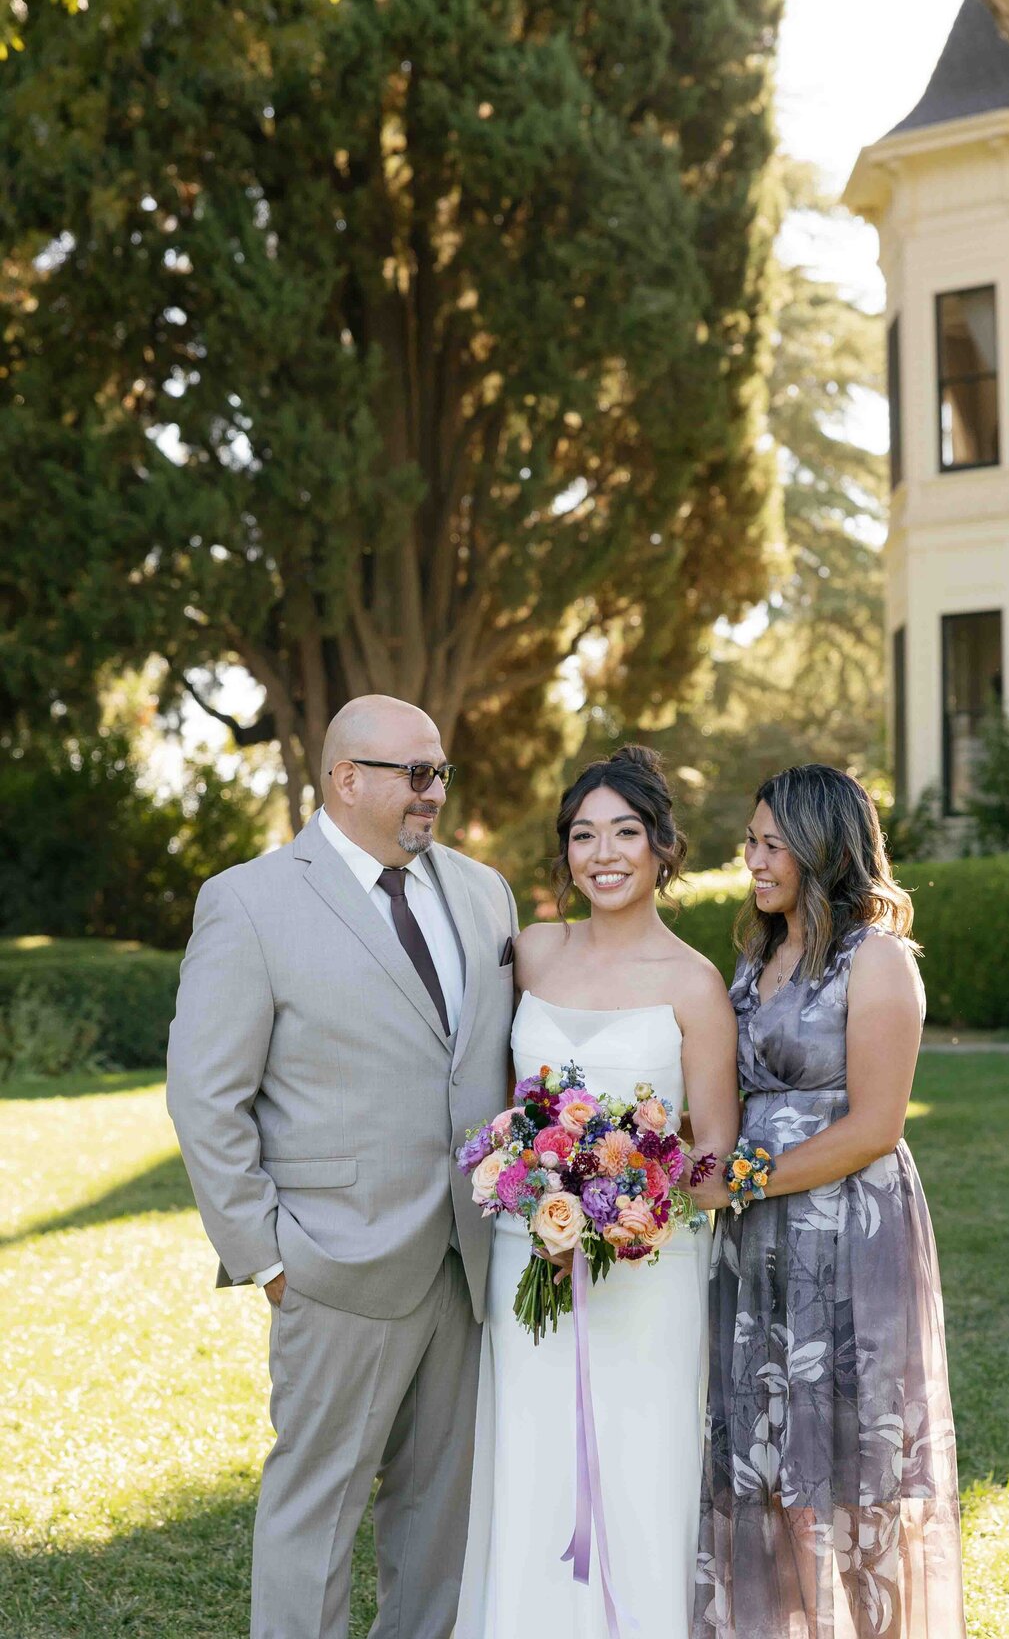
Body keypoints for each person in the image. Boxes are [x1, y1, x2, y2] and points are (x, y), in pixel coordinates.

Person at [166, 695, 518, 1639]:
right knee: (314, 1516)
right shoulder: (250, 901)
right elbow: (207, 1096)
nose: (432, 793)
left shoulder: (485, 892)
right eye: (413, 773)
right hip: (332, 1266)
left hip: (469, 1263)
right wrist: (267, 1257)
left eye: (439, 771)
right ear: (345, 778)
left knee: (443, 1523)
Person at [457, 745, 740, 1639]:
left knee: (640, 1458)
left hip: (648, 1271)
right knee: (530, 1456)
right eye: (583, 835)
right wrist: (532, 1168)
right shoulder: (532, 954)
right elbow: (490, 1094)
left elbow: (718, 1150)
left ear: (662, 848)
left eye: (624, 832)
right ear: (565, 854)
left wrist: (639, 1193)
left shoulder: (695, 984)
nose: (603, 853)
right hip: (524, 1256)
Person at [694, 764, 965, 1639]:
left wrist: (741, 1180)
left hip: (846, 1231)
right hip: (757, 1236)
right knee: (765, 1447)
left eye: (773, 843)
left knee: (852, 1456)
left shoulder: (876, 959)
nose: (754, 858)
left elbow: (875, 1127)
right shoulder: (756, 959)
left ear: (822, 847)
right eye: (751, 840)